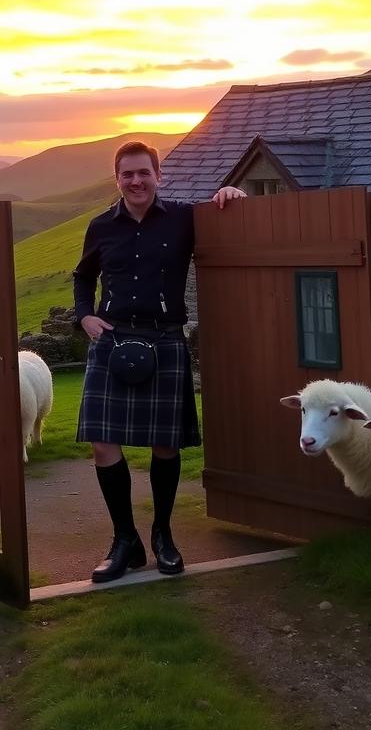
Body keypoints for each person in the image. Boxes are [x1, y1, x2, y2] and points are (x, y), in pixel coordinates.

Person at [72, 140, 246, 582]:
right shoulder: (100, 226)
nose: (136, 181)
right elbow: (83, 275)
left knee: (164, 446)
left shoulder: (185, 219)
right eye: (127, 174)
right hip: (112, 341)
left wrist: (232, 194)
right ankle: (123, 539)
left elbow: (223, 215)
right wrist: (84, 315)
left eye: (143, 173)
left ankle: (163, 537)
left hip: (164, 339)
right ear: (117, 179)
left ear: (157, 176)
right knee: (102, 444)